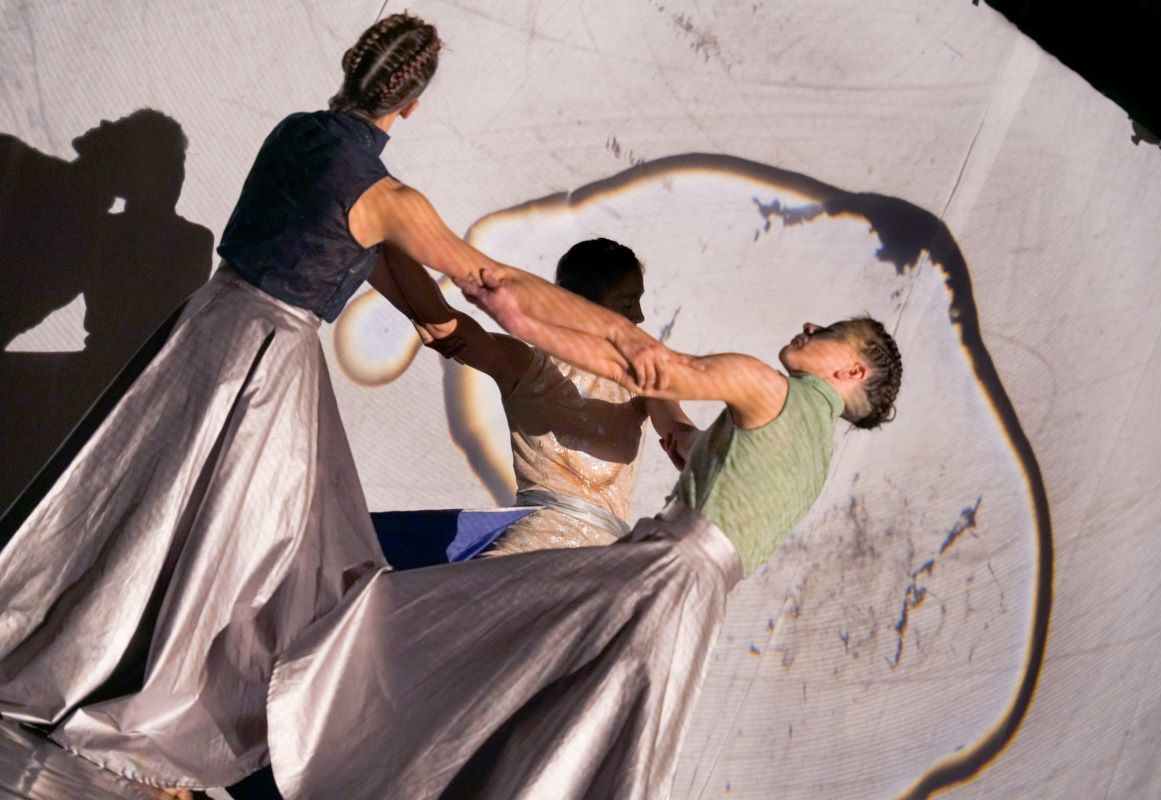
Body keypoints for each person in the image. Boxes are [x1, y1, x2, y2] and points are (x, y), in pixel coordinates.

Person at [0, 13, 685, 797]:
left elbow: (390, 272)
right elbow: (489, 285)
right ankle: (180, 705)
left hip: (204, 330)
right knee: (249, 545)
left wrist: (438, 322)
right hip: (267, 362)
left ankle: (96, 655)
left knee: (156, 511)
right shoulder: (392, 197)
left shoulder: (294, 134)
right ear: (413, 103)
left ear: (355, 71)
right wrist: (628, 344)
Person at [265, 275, 902, 799]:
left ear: (850, 369)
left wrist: (494, 298)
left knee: (453, 684)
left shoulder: (755, 387)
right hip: (666, 594)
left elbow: (652, 377)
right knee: (562, 738)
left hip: (631, 572)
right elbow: (689, 443)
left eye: (830, 331)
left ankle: (333, 744)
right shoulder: (816, 455)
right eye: (629, 303)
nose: (639, 317)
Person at [414, 237, 697, 555]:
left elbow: (679, 429)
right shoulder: (525, 365)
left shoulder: (645, 379)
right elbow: (439, 325)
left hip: (605, 559)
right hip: (531, 548)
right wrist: (383, 245)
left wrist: (705, 455)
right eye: (629, 303)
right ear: (584, 305)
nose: (640, 316)